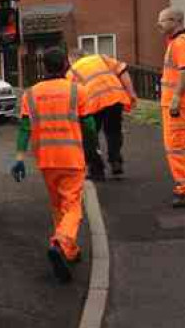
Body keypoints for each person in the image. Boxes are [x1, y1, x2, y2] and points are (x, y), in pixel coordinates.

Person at [11, 47, 97, 283]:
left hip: (46, 160)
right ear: (66, 66)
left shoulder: (30, 94)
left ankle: (69, 250)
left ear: (44, 67)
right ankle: (60, 242)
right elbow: (88, 125)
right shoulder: (77, 91)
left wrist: (19, 158)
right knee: (73, 206)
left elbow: (24, 128)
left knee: (58, 205)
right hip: (71, 157)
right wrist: (93, 150)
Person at [67, 48, 137, 179]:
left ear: (72, 60)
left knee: (91, 136)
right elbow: (122, 71)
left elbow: (72, 95)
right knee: (113, 131)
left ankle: (97, 169)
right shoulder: (101, 58)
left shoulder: (72, 71)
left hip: (93, 103)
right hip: (114, 97)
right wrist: (131, 92)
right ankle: (115, 161)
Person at [157, 7, 185, 208]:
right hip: (182, 103)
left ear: (175, 20)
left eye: (162, 21)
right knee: (179, 146)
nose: (159, 25)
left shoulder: (181, 42)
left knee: (178, 147)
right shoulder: (183, 41)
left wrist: (175, 98)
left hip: (180, 105)